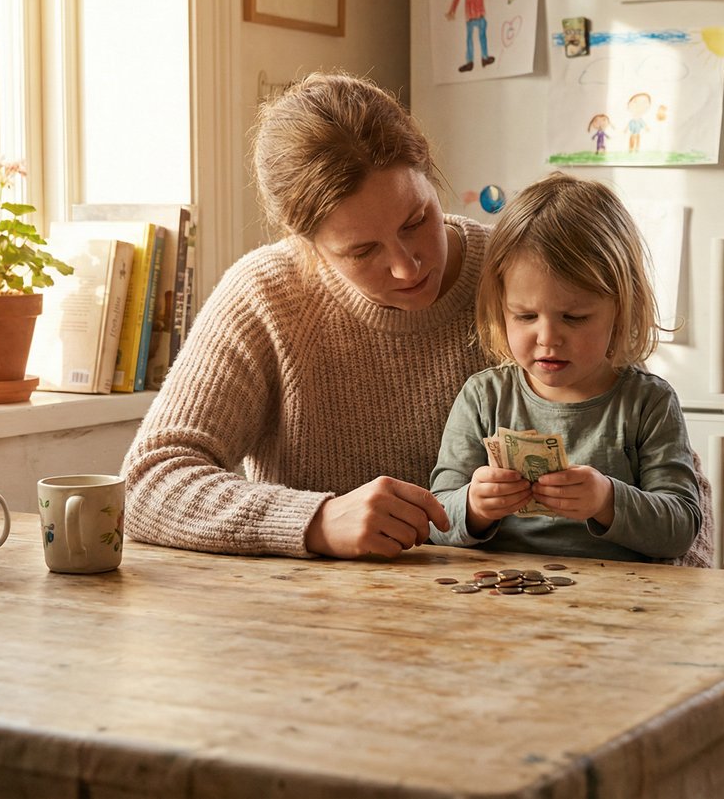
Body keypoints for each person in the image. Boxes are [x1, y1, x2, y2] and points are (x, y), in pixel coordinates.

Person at [121, 71, 494, 559]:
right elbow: (147, 483)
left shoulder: (516, 270)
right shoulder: (268, 295)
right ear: (308, 245)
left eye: (417, 220)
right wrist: (314, 520)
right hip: (315, 620)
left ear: (429, 170)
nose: (406, 266)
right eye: (362, 251)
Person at [429, 172, 701, 562]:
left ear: (620, 312)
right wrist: (473, 506)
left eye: (574, 317)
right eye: (525, 316)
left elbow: (681, 527)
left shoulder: (648, 402)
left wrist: (608, 500)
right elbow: (437, 517)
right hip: (504, 599)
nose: (548, 337)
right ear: (500, 308)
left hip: (625, 603)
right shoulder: (483, 397)